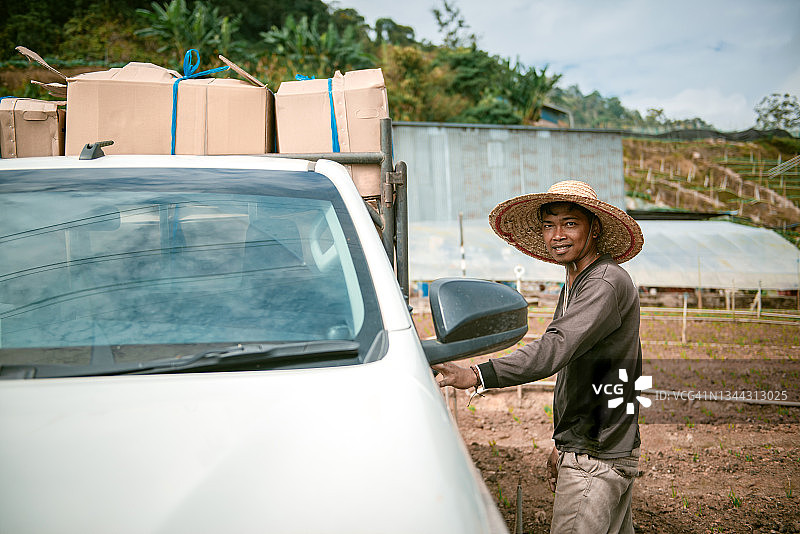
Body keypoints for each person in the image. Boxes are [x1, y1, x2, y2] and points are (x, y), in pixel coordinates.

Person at [433, 180, 645, 534]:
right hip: (597, 448)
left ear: (594, 229)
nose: (557, 234)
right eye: (549, 225)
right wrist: (563, 445)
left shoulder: (603, 284)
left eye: (570, 223)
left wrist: (478, 373)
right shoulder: (578, 282)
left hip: (596, 456)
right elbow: (579, 370)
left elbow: (553, 350)